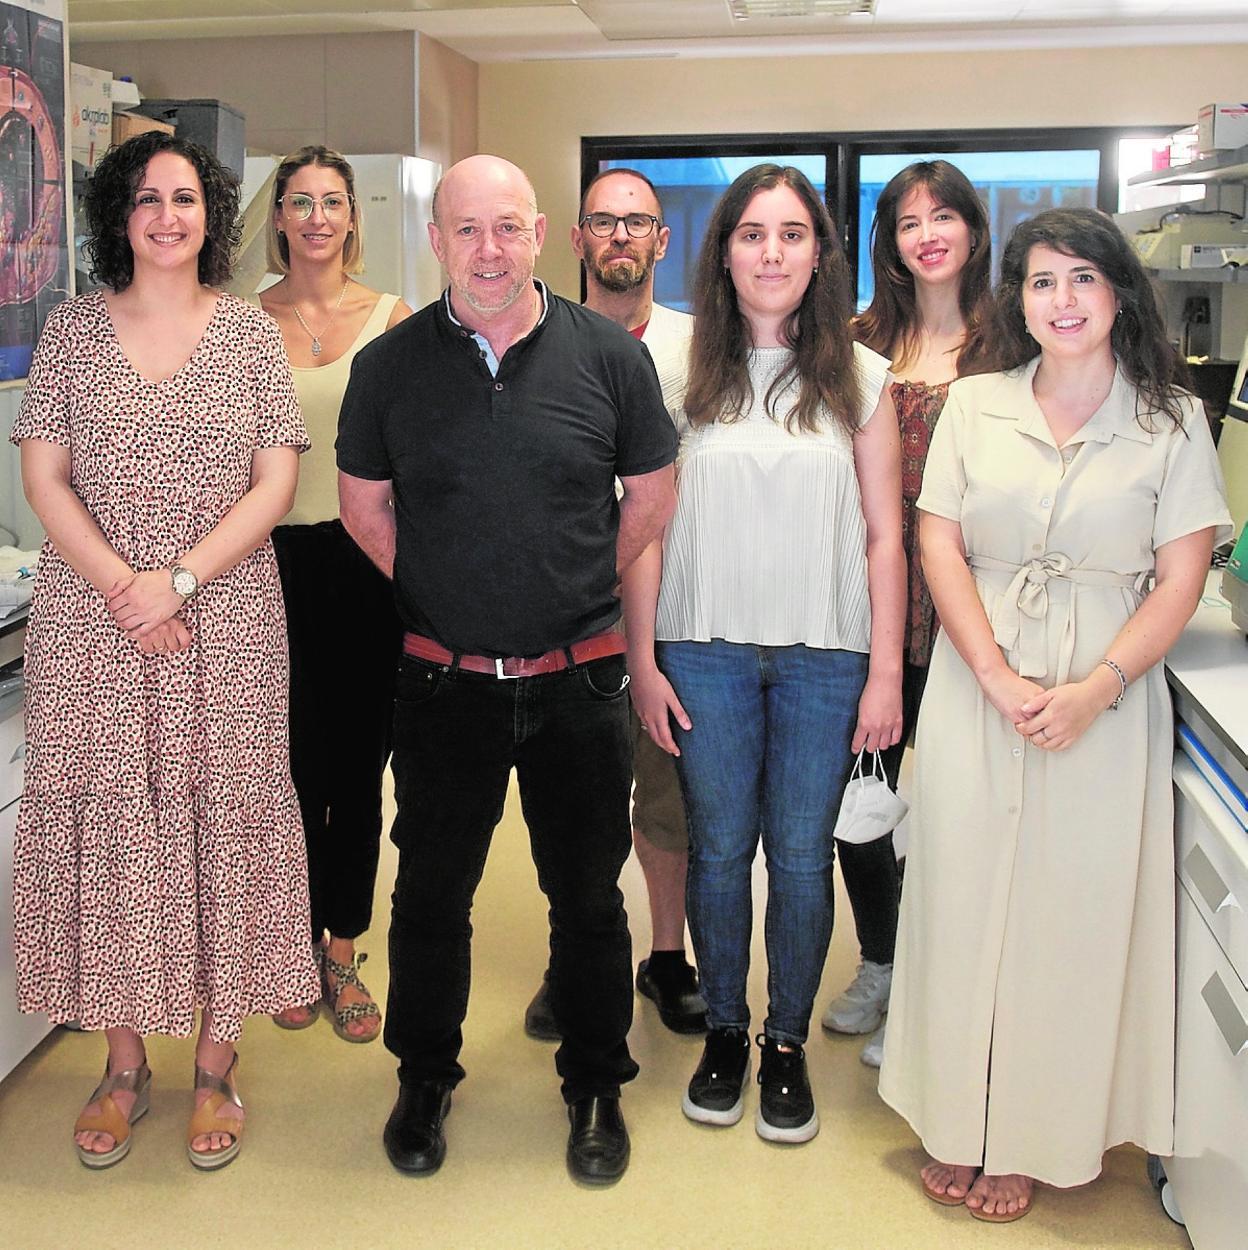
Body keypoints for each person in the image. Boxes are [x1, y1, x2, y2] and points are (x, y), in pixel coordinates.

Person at [879, 207, 1232, 1221]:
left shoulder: (1171, 418)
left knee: (1066, 920)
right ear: (1017, 299)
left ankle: (1035, 1131)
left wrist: (1098, 688)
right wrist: (989, 672)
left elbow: (1180, 574)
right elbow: (937, 539)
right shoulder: (977, 403)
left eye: (1082, 278)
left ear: (1120, 291)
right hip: (976, 679)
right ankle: (957, 1113)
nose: (1062, 300)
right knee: (960, 896)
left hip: (1103, 691)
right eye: (1041, 281)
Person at [336, 154, 676, 1184]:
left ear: (540, 235)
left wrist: (566, 585)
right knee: (432, 895)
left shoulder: (610, 357)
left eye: (508, 228)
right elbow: (365, 510)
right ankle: (425, 1074)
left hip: (581, 680)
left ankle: (595, 1082)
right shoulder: (388, 367)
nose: (489, 249)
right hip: (442, 684)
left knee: (587, 897)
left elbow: (652, 498)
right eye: (466, 228)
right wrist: (457, 594)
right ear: (435, 240)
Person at [10, 131, 317, 1171]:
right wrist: (122, 588)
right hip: (93, 629)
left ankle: (218, 1062)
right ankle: (126, 1059)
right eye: (146, 199)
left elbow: (274, 482)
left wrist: (175, 580)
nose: (167, 216)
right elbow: (45, 476)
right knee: (116, 833)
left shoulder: (247, 336)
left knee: (220, 823)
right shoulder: (70, 333)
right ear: (119, 216)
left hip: (223, 622)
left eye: (185, 197)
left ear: (210, 212)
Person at [627, 164, 905, 1143]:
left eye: (792, 234)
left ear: (820, 253)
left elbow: (883, 534)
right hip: (701, 650)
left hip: (828, 656)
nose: (772, 252)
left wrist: (881, 672)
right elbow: (645, 532)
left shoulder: (861, 377)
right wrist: (644, 660)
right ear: (725, 251)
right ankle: (726, 1032)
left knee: (797, 856)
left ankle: (783, 1042)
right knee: (716, 849)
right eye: (752, 233)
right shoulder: (678, 374)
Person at [524, 166, 705, 1041]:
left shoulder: (699, 349)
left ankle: (666, 958)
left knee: (665, 800)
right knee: (580, 808)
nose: (622, 237)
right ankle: (575, 959)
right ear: (577, 239)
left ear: (662, 241)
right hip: (573, 617)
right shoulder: (538, 338)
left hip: (677, 615)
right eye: (605, 222)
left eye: (638, 223)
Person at [821, 160, 995, 1068]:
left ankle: (938, 986)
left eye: (944, 217)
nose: (928, 234)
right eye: (907, 221)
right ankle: (883, 961)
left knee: (957, 806)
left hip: (977, 614)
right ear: (887, 241)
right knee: (861, 797)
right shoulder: (859, 343)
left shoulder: (1014, 342)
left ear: (973, 229)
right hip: (876, 606)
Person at [258, 146, 413, 1043]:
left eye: (333, 201)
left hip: (363, 564)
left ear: (354, 217)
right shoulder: (235, 324)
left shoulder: (393, 320)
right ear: (277, 218)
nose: (317, 216)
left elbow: (415, 455)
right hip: (262, 566)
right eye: (300, 201)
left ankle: (343, 950)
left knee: (355, 766)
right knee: (279, 769)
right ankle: (284, 945)